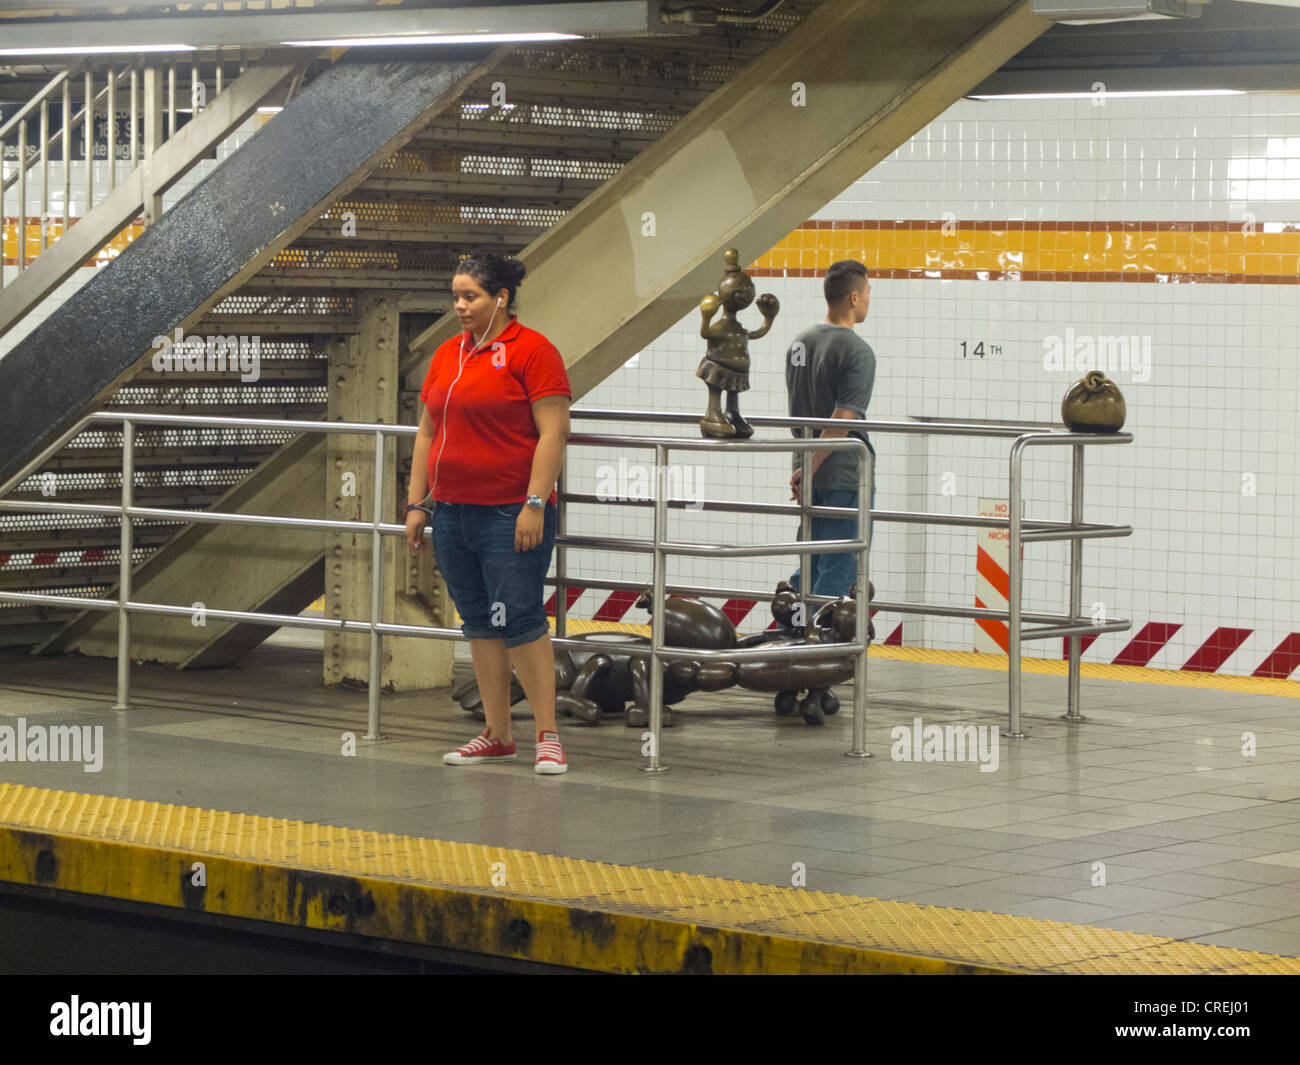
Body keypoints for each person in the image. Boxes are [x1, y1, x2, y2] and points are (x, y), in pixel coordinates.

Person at [405, 254, 572, 774]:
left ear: (500, 298)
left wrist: (534, 503)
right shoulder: (447, 355)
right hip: (454, 512)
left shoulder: (534, 352)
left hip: (509, 511)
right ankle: (497, 734)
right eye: (455, 296)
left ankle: (547, 735)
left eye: (470, 296)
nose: (459, 306)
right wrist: (416, 502)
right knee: (478, 619)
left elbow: (554, 432)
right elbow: (427, 433)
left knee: (520, 616)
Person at [785, 259, 876, 598]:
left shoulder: (799, 343)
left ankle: (792, 636)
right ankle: (821, 645)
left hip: (804, 466)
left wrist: (803, 467)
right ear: (853, 298)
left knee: (810, 561)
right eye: (867, 293)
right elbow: (841, 422)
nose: (869, 300)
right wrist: (810, 469)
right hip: (841, 473)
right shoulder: (858, 352)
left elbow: (798, 412)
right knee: (839, 567)